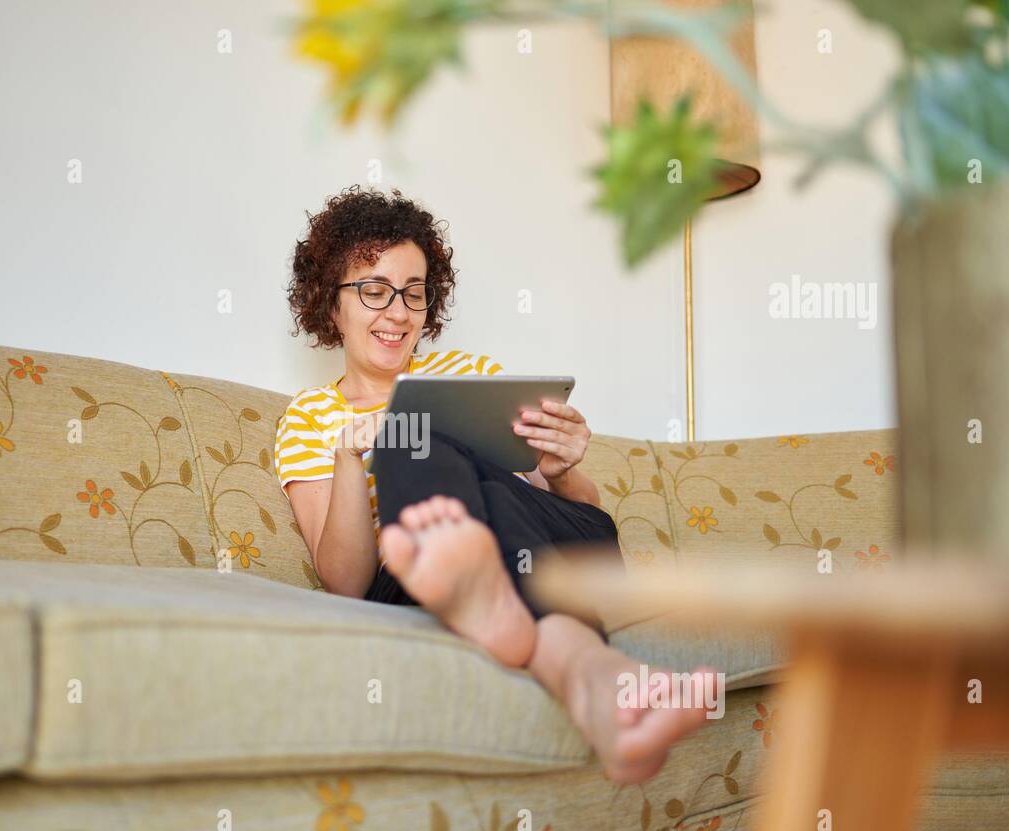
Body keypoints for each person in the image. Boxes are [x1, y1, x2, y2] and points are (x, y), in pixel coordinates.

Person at [274, 186, 712, 784]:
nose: (398, 313)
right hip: (414, 575)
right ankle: (599, 681)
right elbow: (347, 583)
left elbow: (575, 515)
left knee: (495, 484)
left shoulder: (470, 376)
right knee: (417, 435)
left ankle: (486, 591)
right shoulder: (308, 418)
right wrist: (355, 457)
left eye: (413, 293)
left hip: (548, 546)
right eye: (374, 291)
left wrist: (562, 471)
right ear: (332, 305)